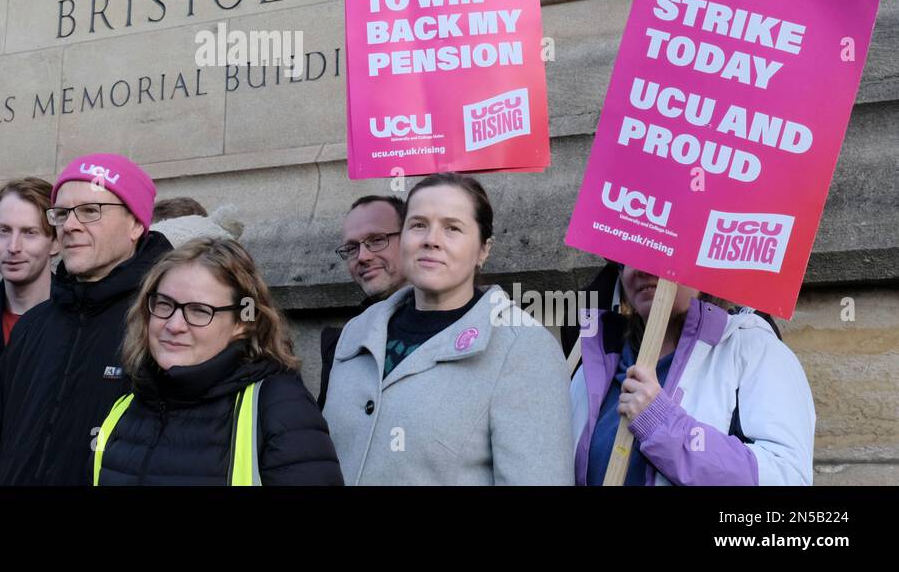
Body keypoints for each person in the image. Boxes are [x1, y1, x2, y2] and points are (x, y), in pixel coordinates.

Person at [323, 173, 573, 485]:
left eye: (452, 228)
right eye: (418, 225)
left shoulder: (523, 348)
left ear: (483, 249)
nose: (431, 239)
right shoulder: (356, 333)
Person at [0, 153, 173, 485]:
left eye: (91, 211)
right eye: (62, 214)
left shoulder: (165, 324)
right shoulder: (33, 326)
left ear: (136, 224)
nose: (71, 226)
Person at [93, 237, 343, 485]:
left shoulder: (278, 407)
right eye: (164, 304)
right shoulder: (127, 406)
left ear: (242, 322)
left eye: (199, 311)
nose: (174, 325)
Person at [570, 263, 814, 486]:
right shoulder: (591, 369)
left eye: (661, 253)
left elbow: (787, 477)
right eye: (628, 257)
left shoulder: (755, 352)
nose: (641, 268)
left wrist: (662, 425)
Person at [317, 194, 407, 408]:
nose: (363, 256)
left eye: (377, 240)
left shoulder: (460, 326)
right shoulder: (340, 345)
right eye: (351, 248)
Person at [0, 177, 57, 357]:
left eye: (29, 233)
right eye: (4, 231)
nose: (13, 247)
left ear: (56, 242)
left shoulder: (81, 318)